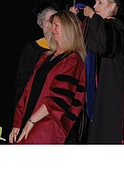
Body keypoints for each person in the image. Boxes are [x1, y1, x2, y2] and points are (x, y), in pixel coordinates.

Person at [71, 0, 124, 144]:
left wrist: (93, 17)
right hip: (101, 93)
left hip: (112, 95)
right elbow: (87, 42)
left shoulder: (116, 27)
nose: (94, 6)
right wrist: (75, 20)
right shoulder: (104, 25)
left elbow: (103, 44)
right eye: (95, 2)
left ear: (113, 6)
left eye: (100, 3)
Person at [9, 11, 86, 144]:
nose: (52, 29)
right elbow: (27, 92)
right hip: (31, 119)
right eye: (52, 25)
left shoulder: (72, 60)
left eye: (56, 25)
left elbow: (58, 99)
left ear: (68, 29)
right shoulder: (46, 57)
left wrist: (31, 121)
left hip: (48, 124)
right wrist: (17, 123)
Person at [15, 1, 58, 103]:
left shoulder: (64, 50)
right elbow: (22, 83)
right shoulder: (31, 50)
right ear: (41, 23)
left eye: (55, 21)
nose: (51, 25)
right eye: (48, 21)